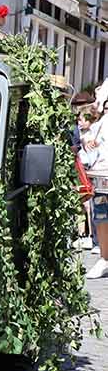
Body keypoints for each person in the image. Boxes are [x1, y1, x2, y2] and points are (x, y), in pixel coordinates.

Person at [77, 97, 108, 278]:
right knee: (102, 216)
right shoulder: (102, 123)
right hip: (102, 174)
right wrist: (88, 142)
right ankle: (104, 258)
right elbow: (90, 139)